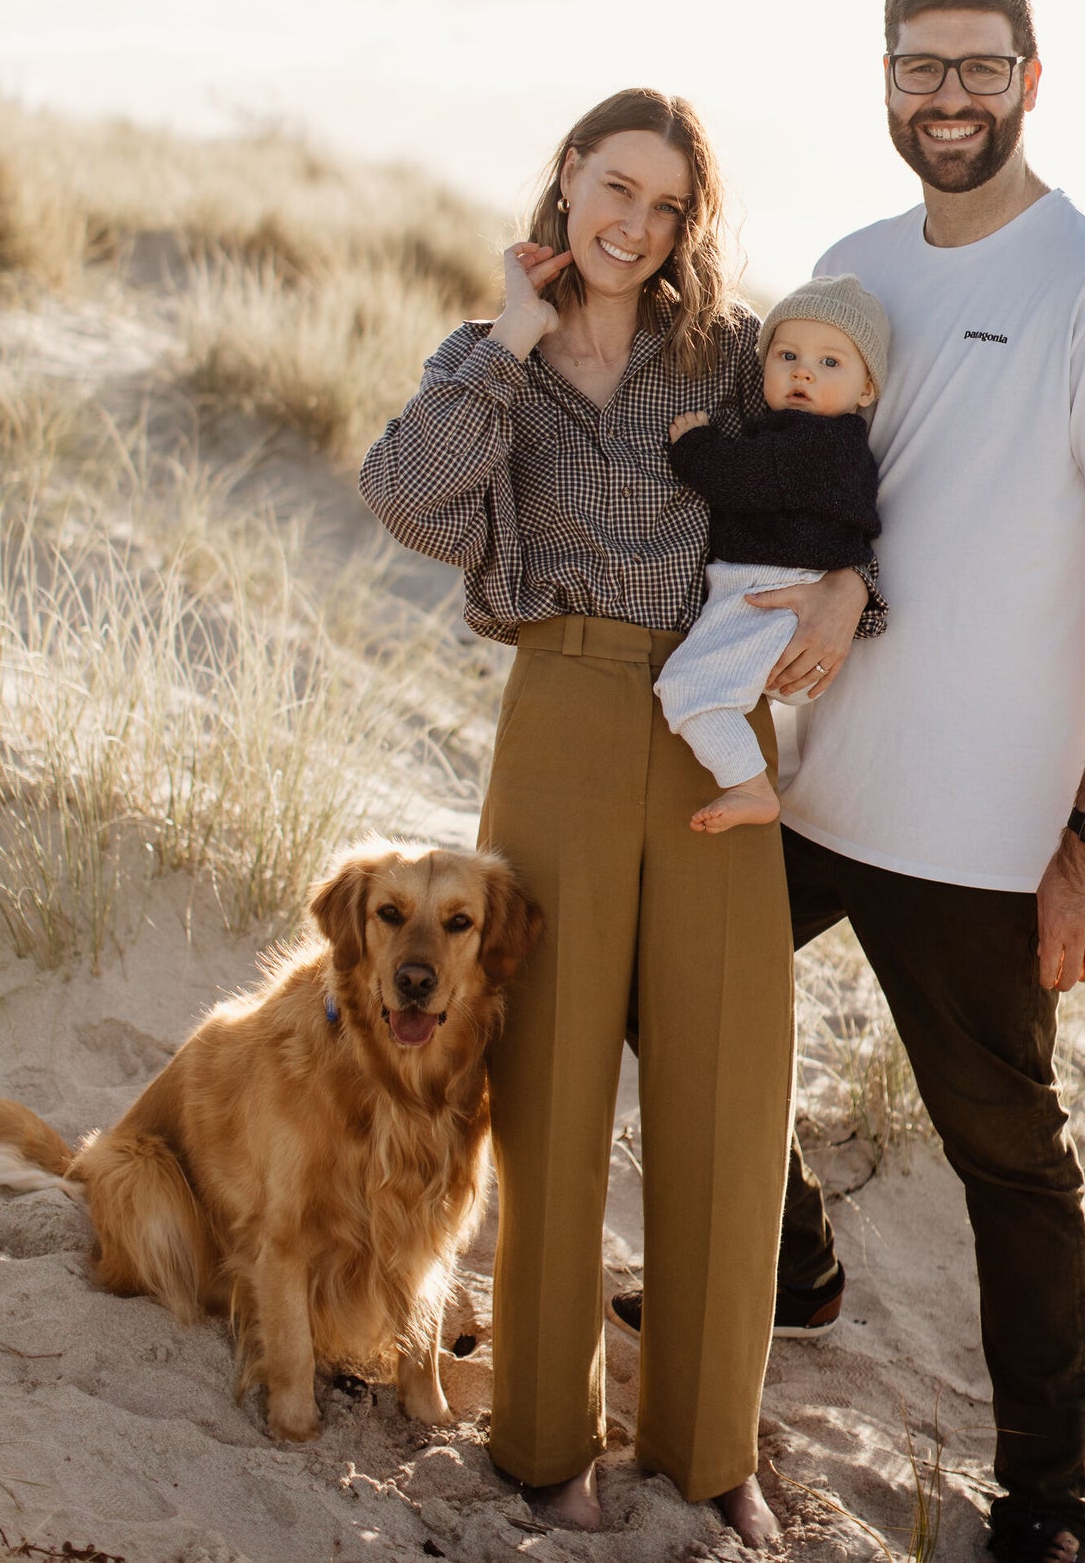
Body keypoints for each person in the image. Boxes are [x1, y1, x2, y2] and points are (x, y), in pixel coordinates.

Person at [618, 0, 1085, 1563]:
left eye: (976, 66)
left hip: (988, 830)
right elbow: (796, 486)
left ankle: (1048, 1506)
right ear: (885, 80)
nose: (947, 96)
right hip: (817, 776)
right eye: (918, 66)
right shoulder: (854, 266)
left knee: (1008, 1159)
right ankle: (797, 1272)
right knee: (657, 996)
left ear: (1031, 77)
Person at [359, 88, 878, 1550]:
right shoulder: (491, 363)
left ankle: (713, 1448)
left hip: (717, 726)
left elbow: (839, 488)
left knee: (729, 1073)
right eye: (613, 185)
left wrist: (849, 590)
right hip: (565, 712)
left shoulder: (727, 348)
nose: (634, 222)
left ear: (685, 221)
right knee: (552, 1084)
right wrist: (510, 341)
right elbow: (400, 494)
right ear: (569, 180)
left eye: (664, 203)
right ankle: (541, 1440)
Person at [654, 275, 888, 831]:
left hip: (771, 596)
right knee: (708, 687)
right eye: (787, 355)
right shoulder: (809, 438)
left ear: (866, 389)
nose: (803, 371)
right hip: (771, 595)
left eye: (830, 363)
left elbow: (741, 480)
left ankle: (750, 786)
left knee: (687, 689)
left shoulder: (820, 444)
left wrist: (695, 445)